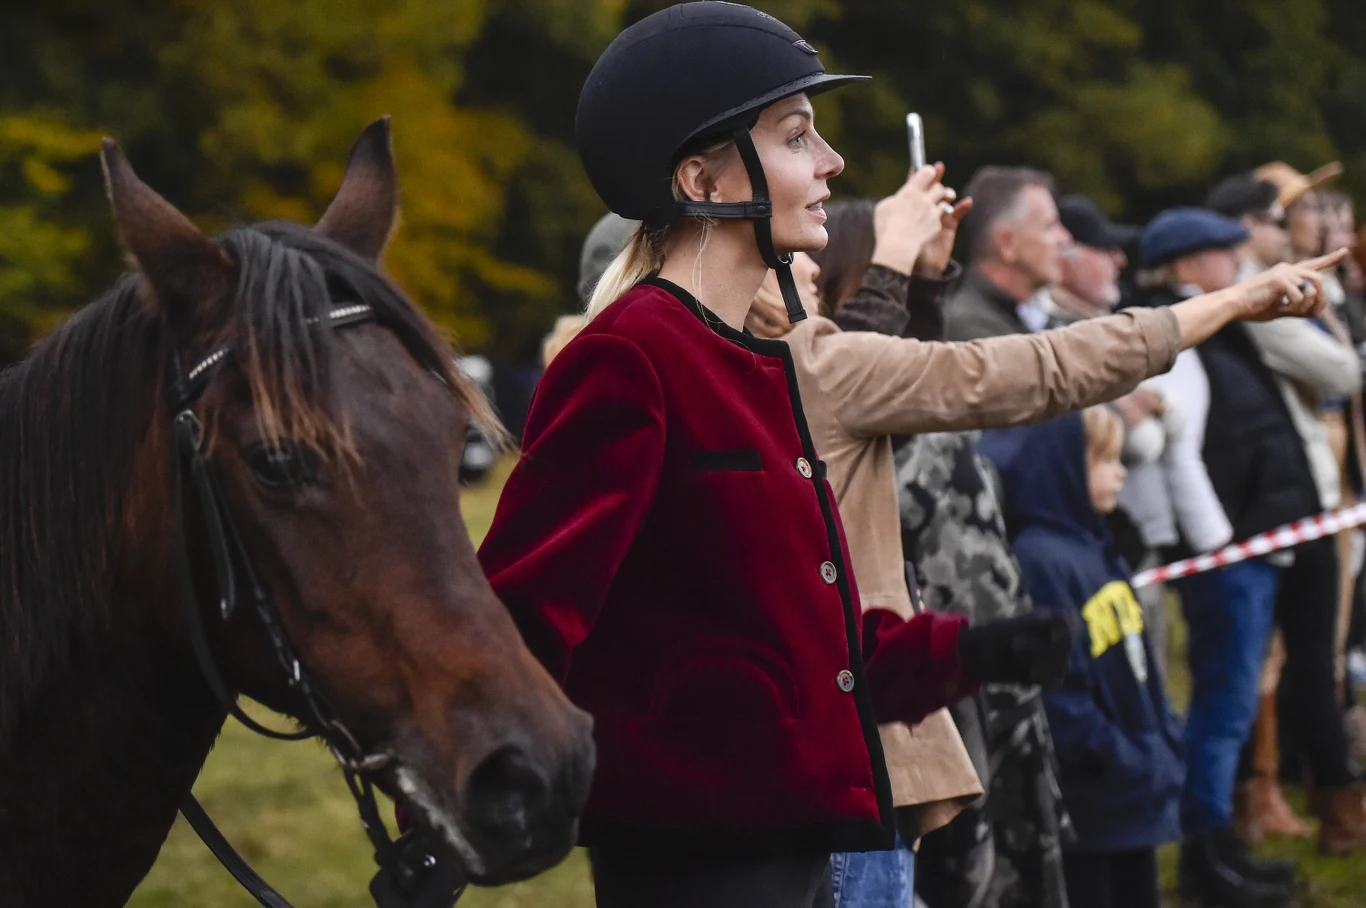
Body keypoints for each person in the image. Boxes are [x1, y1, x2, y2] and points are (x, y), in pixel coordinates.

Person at [478, 5, 1342, 906]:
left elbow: (812, 644)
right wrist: (466, 812)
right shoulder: (631, 354)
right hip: (695, 862)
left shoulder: (769, 360)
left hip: (806, 847)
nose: (832, 165)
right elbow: (517, 614)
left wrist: (977, 652)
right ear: (701, 177)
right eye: (796, 138)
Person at [804, 195, 1072, 908]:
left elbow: (903, 392)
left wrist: (920, 281)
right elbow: (888, 413)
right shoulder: (812, 395)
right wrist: (897, 270)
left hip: (935, 682)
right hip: (893, 699)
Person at [1207, 173, 1364, 848]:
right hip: (1282, 495)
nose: (1286, 224)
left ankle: (1286, 796)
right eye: (1277, 215)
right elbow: (1343, 374)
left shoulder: (1266, 281)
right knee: (1281, 660)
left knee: (1291, 657)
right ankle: (1282, 800)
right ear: (1245, 225)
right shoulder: (1251, 288)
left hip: (1301, 489)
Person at [980, 407, 1184, 908]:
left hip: (1132, 794)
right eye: (1106, 459)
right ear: (1064, 467)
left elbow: (1141, 667)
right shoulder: (1042, 559)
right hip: (1093, 804)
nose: (1121, 471)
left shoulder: (1098, 547)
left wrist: (1164, 742)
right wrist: (1122, 756)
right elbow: (1059, 693)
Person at [944, 167, 1072, 339]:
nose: (1065, 239)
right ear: (1007, 244)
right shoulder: (971, 334)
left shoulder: (1037, 320)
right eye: (1049, 227)